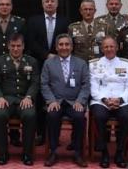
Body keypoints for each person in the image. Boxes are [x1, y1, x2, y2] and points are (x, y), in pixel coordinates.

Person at [26, 0, 70, 146]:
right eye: (47, 1)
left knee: (56, 98)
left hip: (60, 64)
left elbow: (67, 43)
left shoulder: (65, 22)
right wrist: (46, 55)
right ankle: (40, 134)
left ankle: (54, 136)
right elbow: (31, 42)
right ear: (42, 4)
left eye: (52, 1)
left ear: (57, 4)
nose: (50, 3)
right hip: (39, 63)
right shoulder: (33, 21)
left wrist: (56, 56)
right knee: (39, 100)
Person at [41, 33, 90, 168]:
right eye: (61, 45)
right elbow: (44, 84)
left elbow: (86, 85)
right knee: (52, 116)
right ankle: (53, 151)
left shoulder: (81, 63)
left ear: (72, 47)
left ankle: (78, 152)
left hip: (74, 102)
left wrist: (80, 101)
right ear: (56, 47)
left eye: (67, 44)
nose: (64, 47)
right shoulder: (49, 63)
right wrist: (51, 101)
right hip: (56, 101)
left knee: (80, 117)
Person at [0, 33, 39, 165]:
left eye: (18, 46)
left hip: (24, 99)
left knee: (30, 115)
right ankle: (2, 153)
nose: (16, 49)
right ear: (8, 46)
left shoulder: (31, 61)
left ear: (23, 46)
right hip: (6, 99)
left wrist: (29, 97)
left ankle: (27, 154)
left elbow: (35, 83)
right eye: (13, 46)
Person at [89, 36, 128, 168]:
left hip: (122, 100)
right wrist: (105, 100)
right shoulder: (94, 63)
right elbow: (93, 86)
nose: (109, 49)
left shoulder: (126, 63)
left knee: (127, 116)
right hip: (100, 100)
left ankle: (120, 152)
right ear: (102, 49)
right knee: (99, 116)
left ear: (117, 48)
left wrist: (120, 100)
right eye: (106, 47)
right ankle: (104, 152)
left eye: (111, 46)